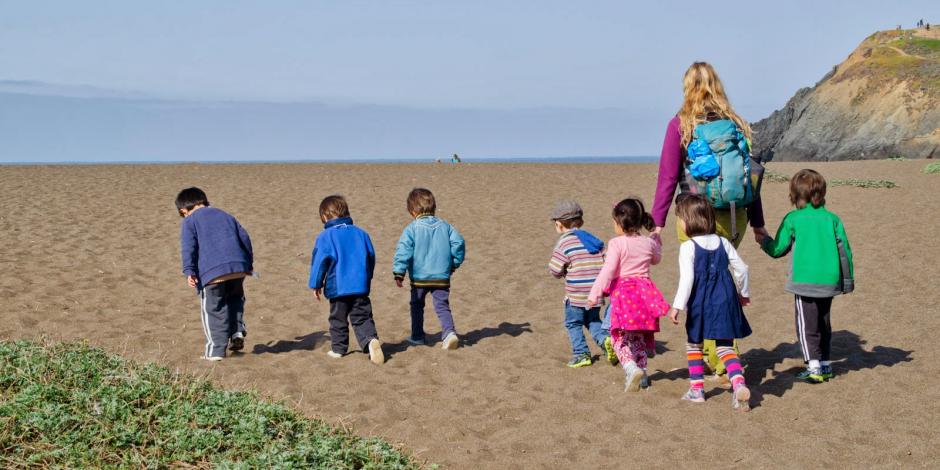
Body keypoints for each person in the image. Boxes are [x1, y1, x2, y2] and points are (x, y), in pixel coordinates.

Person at [650, 61, 767, 382]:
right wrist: (758, 223)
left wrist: (657, 223)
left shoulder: (681, 125)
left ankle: (720, 357)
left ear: (687, 87)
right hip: (736, 213)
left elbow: (668, 177)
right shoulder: (735, 124)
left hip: (694, 214)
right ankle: (717, 353)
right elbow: (749, 176)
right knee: (723, 278)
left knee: (702, 283)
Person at [758, 169, 854, 383]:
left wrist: (763, 240)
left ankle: (814, 368)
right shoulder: (833, 219)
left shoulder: (793, 218)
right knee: (823, 323)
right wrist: (847, 281)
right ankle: (826, 365)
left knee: (806, 325)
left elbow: (778, 249)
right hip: (829, 281)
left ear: (794, 194)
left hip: (804, 282)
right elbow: (844, 252)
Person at [668, 194, 752, 411]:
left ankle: (697, 390)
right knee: (725, 346)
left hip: (701, 301)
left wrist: (677, 305)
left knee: (694, 344)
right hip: (726, 298)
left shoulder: (687, 247)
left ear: (689, 221)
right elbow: (742, 269)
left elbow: (687, 279)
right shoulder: (724, 242)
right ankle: (738, 383)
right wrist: (743, 293)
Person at [587, 198, 670, 391]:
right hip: (645, 295)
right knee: (638, 337)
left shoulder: (616, 243)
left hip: (624, 295)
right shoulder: (647, 243)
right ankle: (642, 374)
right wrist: (655, 241)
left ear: (620, 223)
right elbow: (656, 259)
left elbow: (608, 271)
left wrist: (594, 294)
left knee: (619, 338)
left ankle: (631, 368)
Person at [176, 187, 253, 361]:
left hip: (213, 273)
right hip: (237, 269)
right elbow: (245, 238)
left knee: (213, 309)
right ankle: (236, 331)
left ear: (183, 210)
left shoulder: (189, 222)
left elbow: (188, 248)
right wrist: (248, 263)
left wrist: (189, 271)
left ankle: (215, 351)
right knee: (234, 300)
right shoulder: (225, 215)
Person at [309, 195, 384, 364]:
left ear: (325, 217)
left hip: (338, 286)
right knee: (362, 317)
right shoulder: (361, 233)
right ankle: (370, 340)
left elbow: (320, 261)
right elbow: (371, 257)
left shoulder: (325, 236)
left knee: (338, 318)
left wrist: (316, 284)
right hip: (360, 285)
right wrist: (367, 277)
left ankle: (338, 348)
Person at [392, 188, 466, 350]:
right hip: (441, 276)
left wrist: (399, 272)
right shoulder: (445, 226)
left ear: (412, 211)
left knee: (417, 306)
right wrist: (453, 263)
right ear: (433, 207)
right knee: (442, 305)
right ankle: (449, 333)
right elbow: (459, 243)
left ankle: (418, 336)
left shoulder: (412, 228)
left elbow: (403, 250)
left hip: (419, 278)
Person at [548, 200, 617, 368]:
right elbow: (607, 260)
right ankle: (605, 340)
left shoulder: (564, 243)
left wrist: (564, 271)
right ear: (581, 222)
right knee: (593, 320)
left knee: (573, 323)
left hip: (576, 295)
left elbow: (555, 270)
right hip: (595, 293)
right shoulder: (593, 240)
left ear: (558, 224)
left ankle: (581, 354)